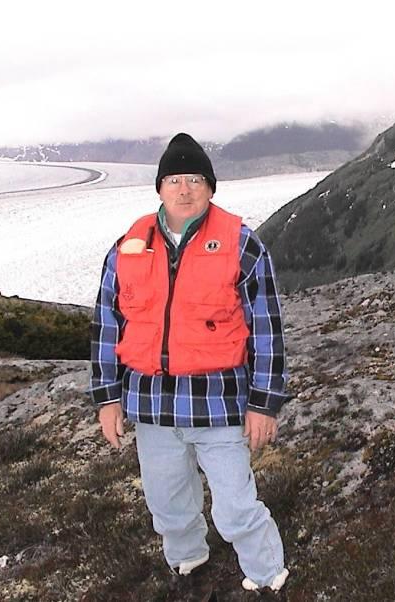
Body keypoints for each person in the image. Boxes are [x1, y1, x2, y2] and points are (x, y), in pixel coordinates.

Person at [89, 133, 290, 596]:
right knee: (167, 502)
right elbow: (106, 326)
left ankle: (267, 575)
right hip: (152, 406)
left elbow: (267, 329)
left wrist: (264, 403)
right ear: (160, 188)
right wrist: (107, 399)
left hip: (217, 404)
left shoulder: (242, 244)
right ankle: (188, 559)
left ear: (210, 187)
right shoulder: (126, 248)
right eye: (174, 180)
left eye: (195, 179)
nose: (184, 190)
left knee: (237, 506)